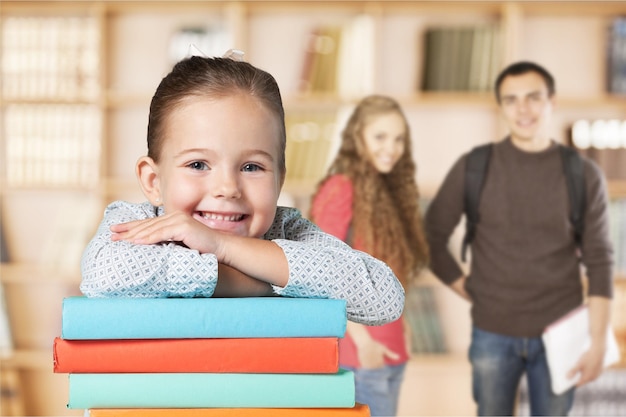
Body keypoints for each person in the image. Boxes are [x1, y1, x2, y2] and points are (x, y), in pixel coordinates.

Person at [80, 54, 405, 327]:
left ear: (279, 179)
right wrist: (261, 283)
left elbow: (384, 297)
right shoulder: (138, 221)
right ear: (153, 182)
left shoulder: (287, 230)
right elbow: (104, 276)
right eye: (198, 165)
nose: (227, 189)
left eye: (252, 167)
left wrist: (222, 246)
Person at [424, 61, 614, 416]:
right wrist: (470, 288)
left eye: (533, 97)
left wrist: (599, 341)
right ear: (502, 107)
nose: (522, 109)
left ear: (552, 101)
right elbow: (430, 237)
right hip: (492, 332)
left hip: (561, 333)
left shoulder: (583, 174)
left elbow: (601, 261)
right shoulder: (474, 166)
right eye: (511, 100)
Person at [310, 95, 430, 416]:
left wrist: (403, 331)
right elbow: (323, 274)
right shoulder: (341, 188)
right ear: (358, 136)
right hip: (359, 357)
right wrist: (364, 343)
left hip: (391, 354)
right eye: (380, 136)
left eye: (398, 138)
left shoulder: (389, 193)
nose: (390, 147)